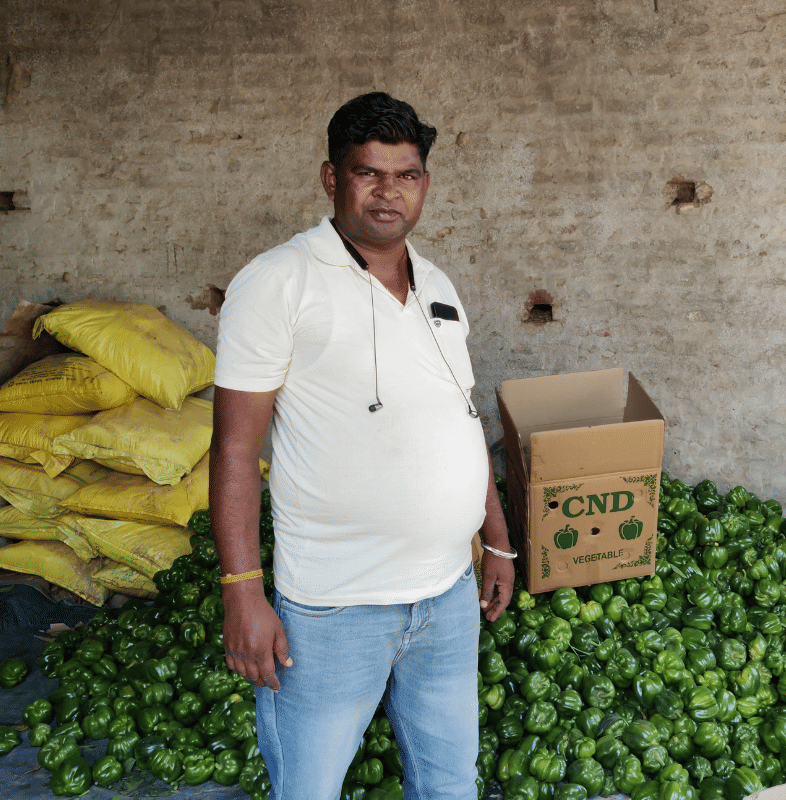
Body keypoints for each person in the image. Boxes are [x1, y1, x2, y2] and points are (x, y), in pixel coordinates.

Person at [208, 91, 516, 800]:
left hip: (447, 596)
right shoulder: (278, 282)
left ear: (425, 185)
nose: (388, 193)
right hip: (333, 610)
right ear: (331, 178)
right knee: (309, 788)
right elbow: (233, 452)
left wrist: (496, 538)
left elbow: (462, 419)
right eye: (368, 173)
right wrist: (241, 594)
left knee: (450, 786)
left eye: (405, 175)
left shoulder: (438, 286)